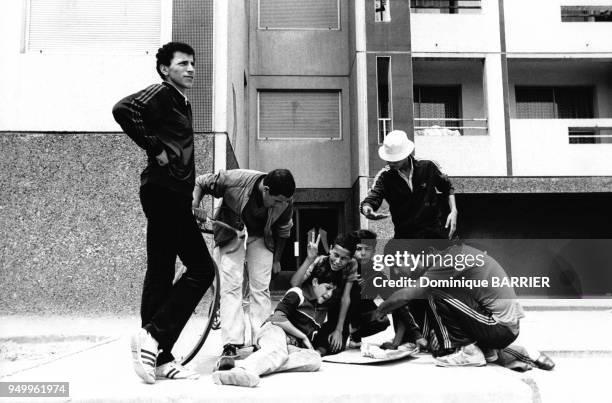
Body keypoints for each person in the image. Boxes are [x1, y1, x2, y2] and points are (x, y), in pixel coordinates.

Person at [112, 42, 215, 383]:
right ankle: (154, 336)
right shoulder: (161, 92)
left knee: (160, 271)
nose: (190, 69)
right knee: (201, 268)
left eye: (193, 63)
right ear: (164, 69)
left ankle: (158, 357)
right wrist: (153, 147)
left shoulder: (181, 103)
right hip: (163, 190)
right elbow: (124, 109)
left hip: (171, 194)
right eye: (182, 63)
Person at [375, 241, 555, 370]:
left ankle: (469, 352)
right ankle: (500, 352)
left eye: (399, 263)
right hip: (501, 326)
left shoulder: (450, 259)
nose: (397, 270)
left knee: (431, 293)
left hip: (499, 327)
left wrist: (379, 311)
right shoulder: (460, 255)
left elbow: (407, 295)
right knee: (439, 344)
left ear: (427, 253)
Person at [192, 168, 295, 368]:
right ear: (265, 189)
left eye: (285, 201)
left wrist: (277, 260)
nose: (282, 205)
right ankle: (231, 343)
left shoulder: (286, 199)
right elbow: (201, 182)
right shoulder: (234, 180)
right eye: (277, 201)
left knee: (261, 288)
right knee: (231, 286)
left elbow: (284, 229)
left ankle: (262, 340)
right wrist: (194, 205)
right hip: (231, 232)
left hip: (261, 236)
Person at [211, 272, 336, 387]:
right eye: (328, 288)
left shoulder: (322, 310)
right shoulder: (298, 293)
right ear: (315, 282)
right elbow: (278, 318)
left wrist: (316, 350)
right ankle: (242, 372)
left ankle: (235, 366)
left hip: (290, 346)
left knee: (314, 360)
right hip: (274, 330)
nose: (329, 294)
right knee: (279, 352)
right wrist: (303, 336)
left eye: (333, 291)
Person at [360, 130, 457, 239]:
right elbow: (373, 197)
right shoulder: (384, 177)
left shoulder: (428, 166)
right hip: (404, 237)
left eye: (395, 160)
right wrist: (367, 208)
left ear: (406, 154)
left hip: (432, 234)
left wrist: (453, 210)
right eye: (388, 160)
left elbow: (447, 187)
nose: (391, 163)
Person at [291, 233, 358, 356]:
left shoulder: (352, 265)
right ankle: (315, 350)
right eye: (336, 255)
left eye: (343, 259)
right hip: (308, 311)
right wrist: (309, 259)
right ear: (331, 248)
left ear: (350, 258)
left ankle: (317, 353)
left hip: (331, 311)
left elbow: (345, 298)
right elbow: (294, 283)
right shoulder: (319, 261)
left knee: (335, 343)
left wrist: (339, 329)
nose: (338, 261)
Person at [345, 230, 390, 348]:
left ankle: (354, 334)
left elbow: (393, 299)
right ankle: (344, 331)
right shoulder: (343, 266)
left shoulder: (377, 273)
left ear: (374, 252)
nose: (363, 253)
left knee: (382, 320)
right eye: (359, 249)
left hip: (363, 311)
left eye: (367, 249)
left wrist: (415, 335)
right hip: (341, 311)